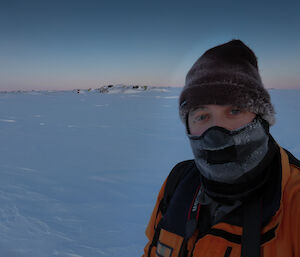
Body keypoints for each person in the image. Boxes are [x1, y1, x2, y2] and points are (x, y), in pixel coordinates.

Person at [142, 40, 300, 257]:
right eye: (202, 116)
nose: (216, 130)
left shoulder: (293, 201)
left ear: (261, 118)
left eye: (234, 110)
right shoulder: (178, 183)